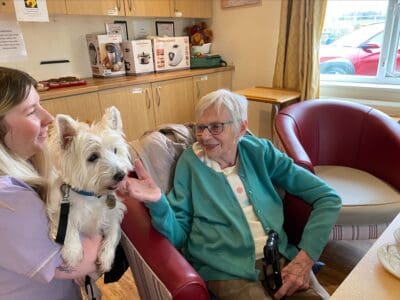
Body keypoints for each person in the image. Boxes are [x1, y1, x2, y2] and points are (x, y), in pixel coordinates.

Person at [120, 89, 341, 299]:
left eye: (216, 127)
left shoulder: (260, 151)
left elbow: (328, 198)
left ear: (241, 128)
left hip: (280, 256)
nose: (205, 137)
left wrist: (306, 257)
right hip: (224, 270)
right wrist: (158, 202)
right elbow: (178, 236)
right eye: (200, 127)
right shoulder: (189, 164)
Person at [0, 67, 102, 299]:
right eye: (31, 111)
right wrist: (106, 216)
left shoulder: (28, 167)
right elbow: (80, 261)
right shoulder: (7, 199)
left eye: (41, 104)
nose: (48, 118)